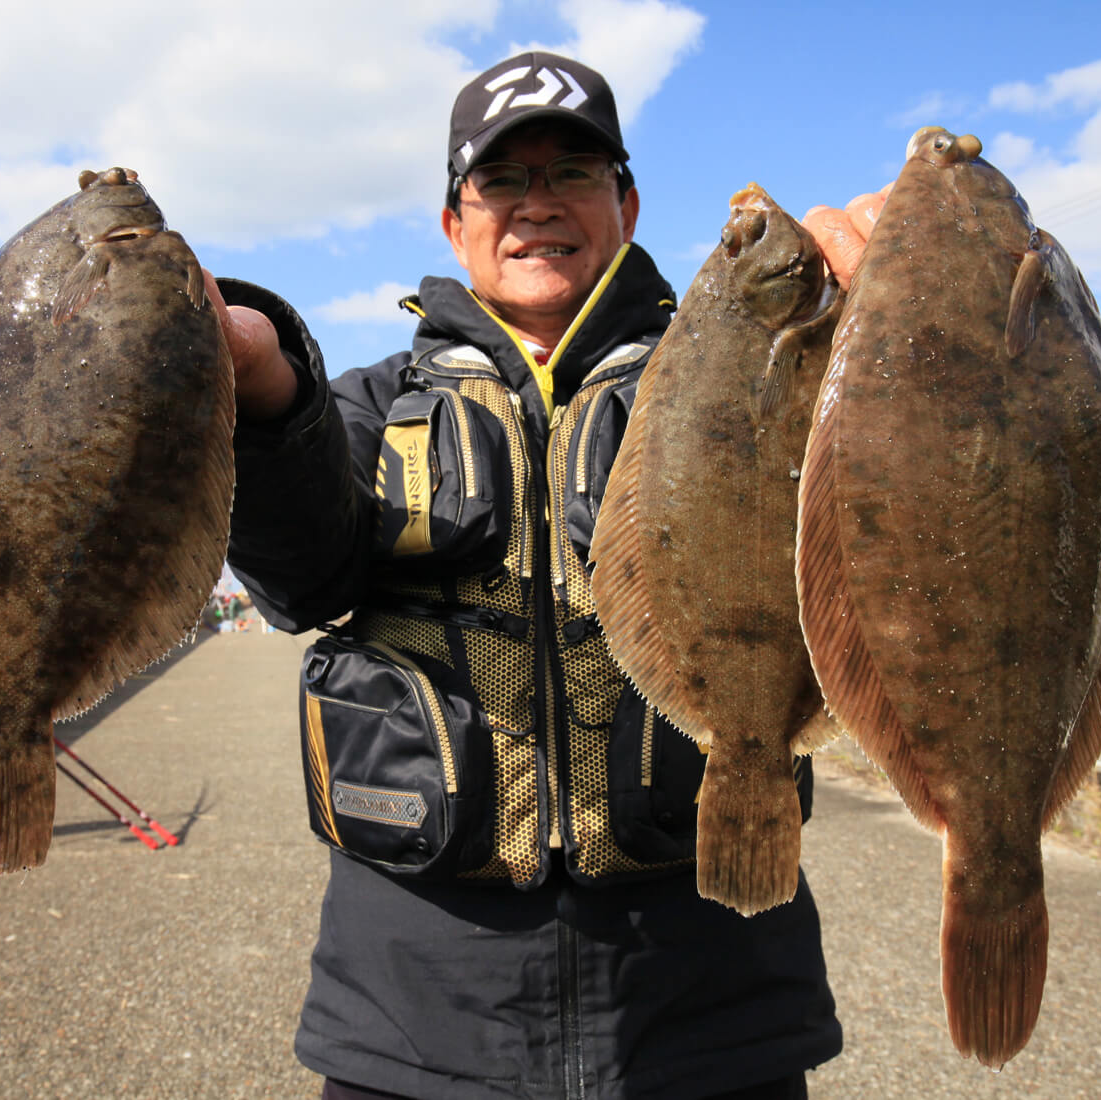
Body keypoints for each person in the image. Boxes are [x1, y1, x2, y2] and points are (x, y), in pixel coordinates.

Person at [208, 51, 882, 1100]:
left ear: (627, 202)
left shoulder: (752, 370)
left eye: (572, 171)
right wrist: (259, 389)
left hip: (714, 1010)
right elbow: (301, 574)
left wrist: (895, 321)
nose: (537, 205)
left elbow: (875, 510)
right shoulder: (366, 405)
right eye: (501, 179)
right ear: (453, 222)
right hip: (412, 1019)